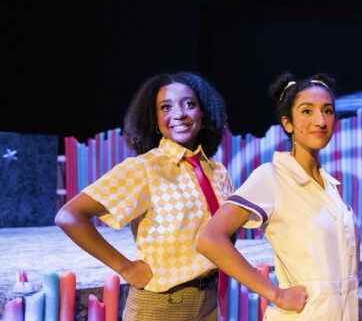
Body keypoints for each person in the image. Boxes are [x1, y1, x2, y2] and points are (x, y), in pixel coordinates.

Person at [55, 72, 233, 321]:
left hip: (211, 303)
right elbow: (69, 216)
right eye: (166, 107)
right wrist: (126, 268)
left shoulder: (218, 172)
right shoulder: (144, 168)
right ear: (155, 119)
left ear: (203, 113)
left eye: (189, 104)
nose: (179, 114)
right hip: (161, 306)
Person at [196, 72, 359, 320]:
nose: (321, 120)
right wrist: (276, 294)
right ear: (287, 123)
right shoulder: (271, 177)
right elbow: (209, 239)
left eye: (327, 110)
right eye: (307, 111)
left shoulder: (329, 187)